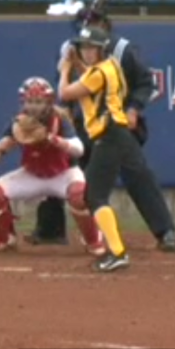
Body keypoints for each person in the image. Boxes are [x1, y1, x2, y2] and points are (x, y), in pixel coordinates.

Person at [29, 9, 175, 252]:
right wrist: (65, 104)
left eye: (93, 32)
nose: (86, 43)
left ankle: (165, 231)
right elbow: (75, 84)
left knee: (137, 174)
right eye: (84, 32)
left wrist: (133, 109)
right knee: (61, 166)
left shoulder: (122, 52)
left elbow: (145, 84)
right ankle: (50, 229)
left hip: (116, 125)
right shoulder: (74, 49)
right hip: (87, 126)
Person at [0, 77, 105, 256]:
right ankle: (5, 238)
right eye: (30, 101)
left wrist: (53, 139)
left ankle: (93, 240)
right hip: (33, 174)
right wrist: (0, 148)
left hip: (63, 174)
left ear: (49, 102)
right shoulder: (19, 123)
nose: (33, 106)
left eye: (39, 102)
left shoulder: (59, 119)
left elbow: (79, 149)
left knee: (79, 195)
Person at [59, 26, 149, 272]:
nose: (87, 52)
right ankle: (116, 251)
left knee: (94, 196)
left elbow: (65, 92)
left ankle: (118, 252)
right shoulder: (110, 67)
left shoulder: (99, 72)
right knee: (95, 195)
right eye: (84, 48)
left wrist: (65, 68)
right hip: (115, 134)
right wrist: (75, 62)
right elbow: (88, 77)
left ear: (102, 49)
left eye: (91, 48)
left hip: (109, 135)